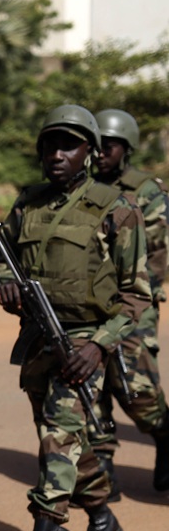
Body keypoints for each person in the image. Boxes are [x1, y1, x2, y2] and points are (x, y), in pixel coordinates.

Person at [0, 105, 150, 531]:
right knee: (62, 439)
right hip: (39, 340)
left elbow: (138, 296)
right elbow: (4, 261)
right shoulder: (28, 203)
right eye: (50, 146)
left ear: (90, 152)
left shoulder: (116, 208)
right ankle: (102, 516)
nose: (57, 155)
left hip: (85, 341)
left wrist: (100, 347)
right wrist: (4, 285)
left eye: (70, 145)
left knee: (57, 441)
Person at [90, 108, 169, 496]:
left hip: (132, 304)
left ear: (127, 148)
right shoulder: (78, 187)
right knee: (92, 390)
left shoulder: (146, 190)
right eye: (97, 143)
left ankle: (163, 435)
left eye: (111, 145)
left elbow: (157, 256)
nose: (102, 152)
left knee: (136, 390)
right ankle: (102, 473)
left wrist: (127, 296)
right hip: (87, 309)